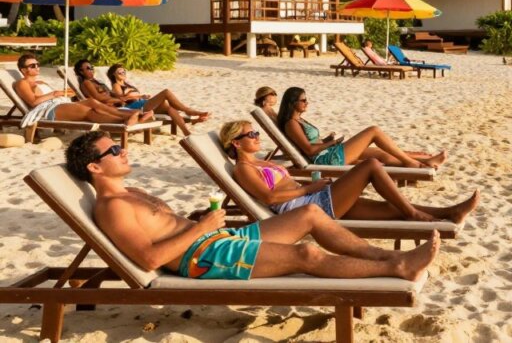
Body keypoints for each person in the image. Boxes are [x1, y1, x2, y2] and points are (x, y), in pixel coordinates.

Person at [65, 131, 438, 281]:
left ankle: (380, 257)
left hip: (215, 237)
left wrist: (198, 221)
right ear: (95, 167)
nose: (122, 149)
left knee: (310, 213)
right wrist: (201, 227)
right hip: (204, 256)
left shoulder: (130, 193)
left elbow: (161, 229)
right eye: (112, 150)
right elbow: (148, 259)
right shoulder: (112, 206)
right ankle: (399, 266)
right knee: (304, 254)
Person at [222, 121, 478, 223]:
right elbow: (269, 198)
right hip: (305, 206)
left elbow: (282, 185)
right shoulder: (243, 169)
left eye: (256, 132)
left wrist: (315, 184)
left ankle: (451, 213)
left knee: (390, 209)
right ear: (236, 142)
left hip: (314, 198)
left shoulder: (261, 162)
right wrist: (309, 188)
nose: (257, 136)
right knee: (370, 166)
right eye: (251, 134)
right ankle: (413, 213)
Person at [277, 87, 446, 169]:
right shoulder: (291, 124)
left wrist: (327, 140)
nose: (307, 103)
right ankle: (412, 163)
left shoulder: (298, 120)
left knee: (380, 155)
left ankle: (423, 161)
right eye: (303, 100)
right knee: (373, 131)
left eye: (306, 99)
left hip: (329, 153)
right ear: (292, 103)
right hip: (327, 159)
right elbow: (308, 149)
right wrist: (332, 143)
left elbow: (310, 143)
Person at [13, 54, 144, 126]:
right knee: (88, 112)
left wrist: (66, 93)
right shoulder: (22, 83)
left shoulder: (40, 82)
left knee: (92, 102)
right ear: (24, 70)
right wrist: (55, 93)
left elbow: (51, 96)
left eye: (37, 64)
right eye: (32, 65)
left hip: (59, 104)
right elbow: (33, 102)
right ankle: (123, 120)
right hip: (48, 110)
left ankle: (129, 115)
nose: (37, 67)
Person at [107, 63, 210, 135]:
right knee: (166, 92)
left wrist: (142, 97)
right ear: (113, 74)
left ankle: (186, 132)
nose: (123, 73)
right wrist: (140, 96)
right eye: (120, 72)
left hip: (143, 104)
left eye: (124, 71)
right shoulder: (116, 85)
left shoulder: (127, 84)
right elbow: (122, 98)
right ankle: (188, 111)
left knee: (169, 108)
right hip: (133, 108)